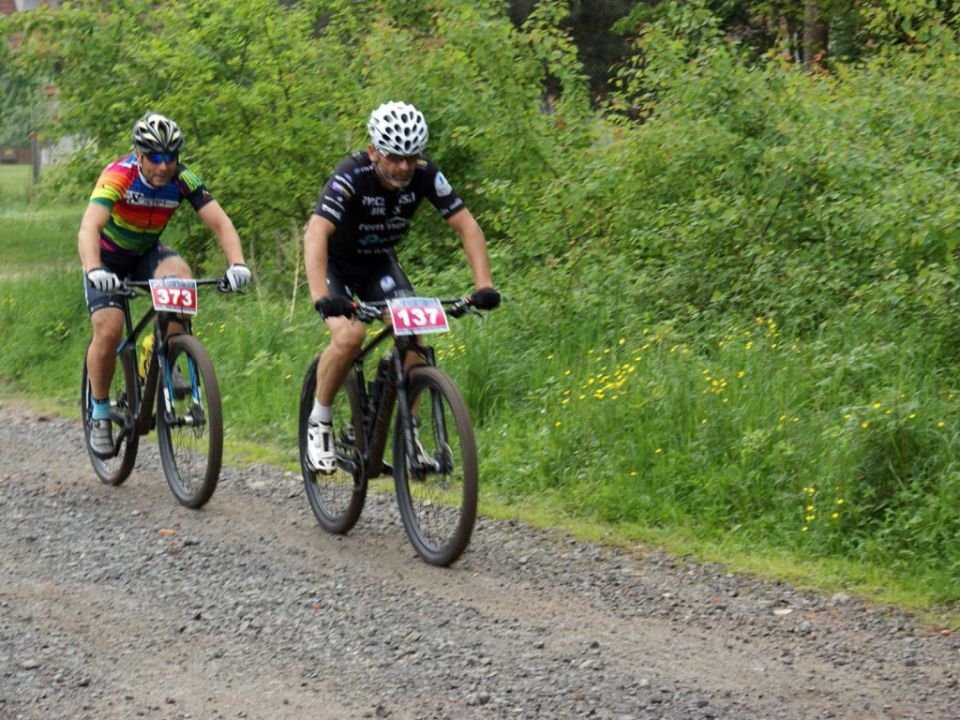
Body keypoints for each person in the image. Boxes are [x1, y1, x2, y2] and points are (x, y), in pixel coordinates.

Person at [303, 101, 500, 473]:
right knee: (350, 337)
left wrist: (483, 284)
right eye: (394, 157)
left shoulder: (425, 174)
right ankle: (320, 421)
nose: (404, 167)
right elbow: (316, 232)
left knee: (412, 330)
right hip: (335, 264)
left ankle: (410, 435)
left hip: (378, 262)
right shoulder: (351, 174)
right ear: (374, 151)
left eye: (411, 157)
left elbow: (467, 226)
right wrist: (321, 296)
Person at [79, 112, 251, 457]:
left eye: (170, 157)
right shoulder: (119, 175)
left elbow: (221, 222)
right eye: (155, 157)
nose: (163, 166)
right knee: (109, 330)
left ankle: (158, 354)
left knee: (181, 279)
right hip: (107, 258)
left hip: (146, 252)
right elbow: (89, 227)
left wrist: (238, 264)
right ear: (139, 154)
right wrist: (94, 269)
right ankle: (99, 412)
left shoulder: (183, 178)